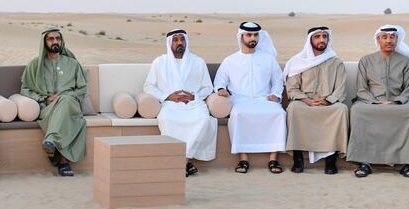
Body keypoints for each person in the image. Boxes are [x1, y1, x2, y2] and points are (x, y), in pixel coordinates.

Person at [346, 25, 409, 177]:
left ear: (397, 40)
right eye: (385, 37)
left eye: (392, 37)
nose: (389, 41)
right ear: (378, 40)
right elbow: (361, 88)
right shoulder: (366, 61)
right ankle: (364, 162)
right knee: (357, 111)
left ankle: (408, 163)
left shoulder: (405, 62)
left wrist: (397, 101)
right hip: (371, 102)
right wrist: (376, 102)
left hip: (398, 102)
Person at [213, 21, 286, 174]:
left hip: (264, 99)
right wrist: (221, 89)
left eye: (255, 35)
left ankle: (273, 158)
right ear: (241, 37)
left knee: (279, 114)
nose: (252, 38)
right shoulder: (230, 60)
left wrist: (276, 94)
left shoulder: (268, 59)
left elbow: (278, 80)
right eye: (249, 35)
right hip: (240, 100)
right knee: (239, 115)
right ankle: (243, 159)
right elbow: (220, 80)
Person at [143, 28, 216, 176]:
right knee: (167, 119)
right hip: (170, 104)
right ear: (169, 43)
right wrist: (168, 96)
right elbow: (148, 86)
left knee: (203, 120)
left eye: (182, 39)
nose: (179, 43)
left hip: (194, 104)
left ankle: (182, 160)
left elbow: (208, 87)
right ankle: (186, 163)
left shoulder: (198, 61)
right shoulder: (160, 62)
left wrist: (194, 96)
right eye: (175, 40)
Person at [20, 27, 88, 177]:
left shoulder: (72, 64)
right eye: (51, 39)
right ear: (44, 42)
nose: (55, 41)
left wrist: (69, 97)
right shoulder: (35, 65)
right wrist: (43, 98)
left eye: (58, 38)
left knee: (65, 100)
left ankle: (54, 146)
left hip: (71, 105)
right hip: (47, 108)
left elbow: (82, 89)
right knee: (62, 109)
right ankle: (62, 161)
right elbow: (25, 89)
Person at [283, 26, 348, 174]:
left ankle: (331, 160)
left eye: (324, 37)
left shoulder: (336, 62)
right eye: (317, 37)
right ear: (310, 40)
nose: (321, 40)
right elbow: (292, 89)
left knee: (341, 110)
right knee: (294, 109)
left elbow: (340, 89)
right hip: (304, 102)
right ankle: (298, 158)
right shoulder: (298, 62)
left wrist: (328, 100)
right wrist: (307, 100)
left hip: (328, 103)